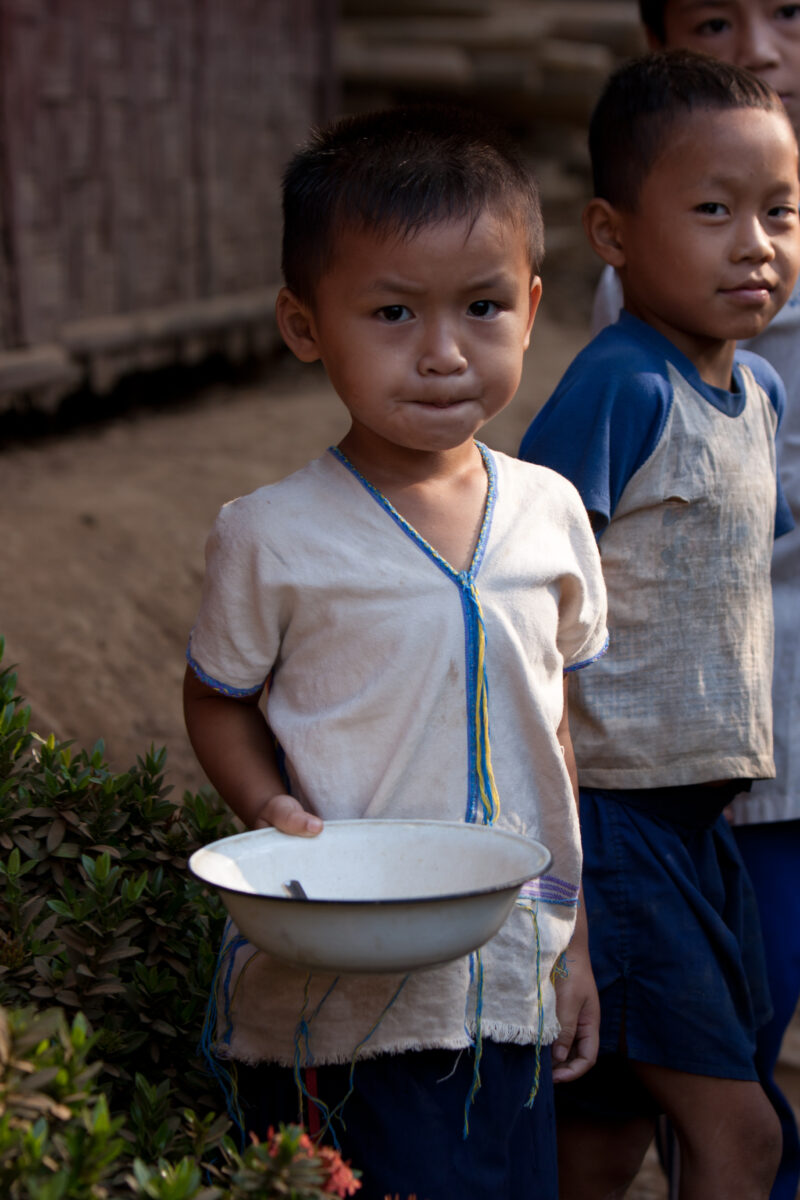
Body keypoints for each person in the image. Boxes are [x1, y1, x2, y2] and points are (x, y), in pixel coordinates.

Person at [182, 105, 608, 1200]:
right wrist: (269, 809)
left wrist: (576, 945)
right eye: (389, 311)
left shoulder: (550, 514)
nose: (442, 353)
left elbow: (552, 724)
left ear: (531, 308)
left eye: (481, 307)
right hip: (340, 976)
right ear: (303, 323)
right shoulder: (270, 533)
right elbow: (218, 700)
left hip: (507, 960)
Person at [518, 50, 800, 1199]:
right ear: (612, 233)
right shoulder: (621, 387)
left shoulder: (757, 394)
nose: (754, 243)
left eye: (779, 211)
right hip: (615, 824)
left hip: (701, 821)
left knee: (603, 1134)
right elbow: (518, 582)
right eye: (711, 211)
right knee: (740, 1135)